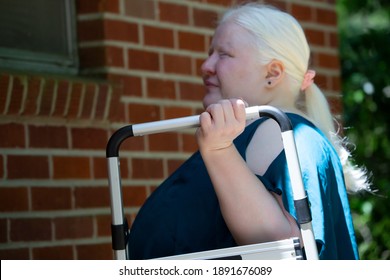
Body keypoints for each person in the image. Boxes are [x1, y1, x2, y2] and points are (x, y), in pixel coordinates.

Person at [128, 2, 371, 260]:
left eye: (224, 54)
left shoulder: (281, 132)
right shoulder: (259, 131)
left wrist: (219, 151)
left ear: (272, 73)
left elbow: (281, 255)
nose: (206, 66)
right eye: (211, 53)